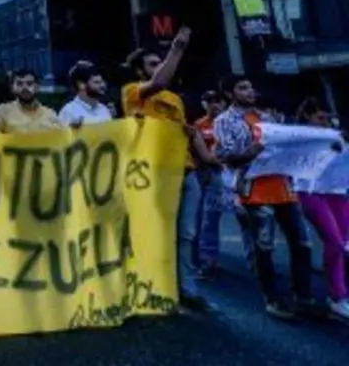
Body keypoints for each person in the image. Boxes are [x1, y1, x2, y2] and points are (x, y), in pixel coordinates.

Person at [121, 27, 214, 312]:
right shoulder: (133, 93)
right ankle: (155, 288)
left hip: (185, 172)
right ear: (139, 71)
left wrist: (206, 157)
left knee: (186, 234)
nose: (160, 67)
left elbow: (185, 132)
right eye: (152, 63)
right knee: (157, 231)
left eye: (161, 61)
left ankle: (187, 288)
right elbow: (160, 81)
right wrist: (177, 50)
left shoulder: (175, 100)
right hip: (155, 173)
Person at [214, 74, 316, 321]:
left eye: (251, 86)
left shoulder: (266, 118)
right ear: (230, 93)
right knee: (264, 247)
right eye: (242, 87)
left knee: (302, 243)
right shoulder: (223, 121)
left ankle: (304, 297)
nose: (250, 91)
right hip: (254, 192)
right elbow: (226, 156)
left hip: (283, 188)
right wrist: (254, 150)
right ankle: (273, 299)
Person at [289, 97, 349, 321]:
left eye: (328, 118)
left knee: (342, 244)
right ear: (308, 116)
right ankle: (337, 297)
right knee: (333, 241)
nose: (325, 122)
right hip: (310, 191)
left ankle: (338, 289)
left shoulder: (335, 134)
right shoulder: (298, 136)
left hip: (338, 191)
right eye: (320, 118)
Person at [192, 90, 230, 277]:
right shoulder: (198, 125)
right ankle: (207, 260)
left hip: (231, 173)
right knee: (205, 218)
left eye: (218, 101)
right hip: (207, 174)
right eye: (210, 101)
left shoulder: (231, 124)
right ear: (204, 104)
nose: (214, 105)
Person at [0, 69, 62, 134]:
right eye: (19, 84)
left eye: (29, 83)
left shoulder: (50, 115)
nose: (25, 88)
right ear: (13, 88)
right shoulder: (2, 113)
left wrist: (74, 132)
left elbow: (61, 140)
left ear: (37, 87)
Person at [58, 61, 114, 127]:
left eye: (102, 82)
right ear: (81, 85)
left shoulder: (104, 109)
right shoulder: (68, 111)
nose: (102, 85)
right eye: (96, 82)